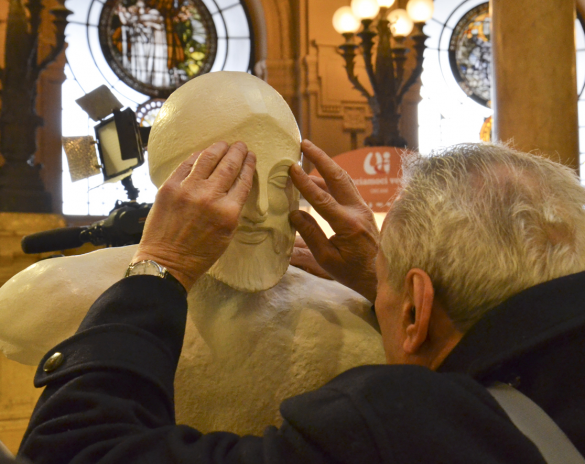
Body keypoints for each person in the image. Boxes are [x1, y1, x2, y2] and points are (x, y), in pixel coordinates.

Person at [18, 140, 585, 463]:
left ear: (415, 308)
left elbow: (78, 455)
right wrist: (386, 277)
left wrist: (162, 266)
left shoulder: (403, 428)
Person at [0, 72, 384, 435]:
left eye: (281, 181)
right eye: (233, 180)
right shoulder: (54, 295)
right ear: (170, 186)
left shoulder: (351, 317)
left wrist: (378, 280)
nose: (263, 209)